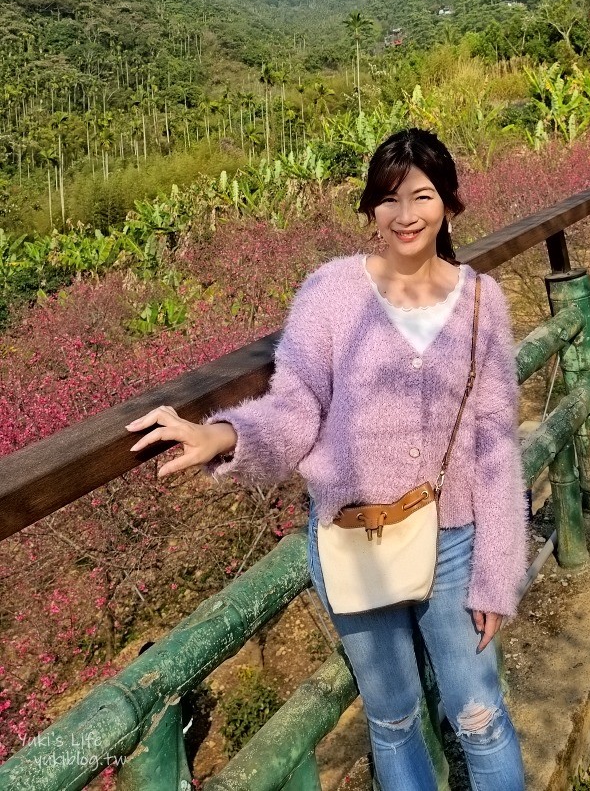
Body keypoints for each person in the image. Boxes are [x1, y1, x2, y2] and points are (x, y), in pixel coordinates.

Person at [126, 128, 527, 791]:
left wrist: (498, 569)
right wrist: (223, 436)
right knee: (393, 720)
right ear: (370, 210)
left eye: (422, 196)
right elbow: (295, 405)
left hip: (455, 541)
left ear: (451, 205)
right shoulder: (333, 291)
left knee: (481, 715)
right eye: (387, 199)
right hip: (350, 537)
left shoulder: (482, 300)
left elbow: (496, 441)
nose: (405, 215)